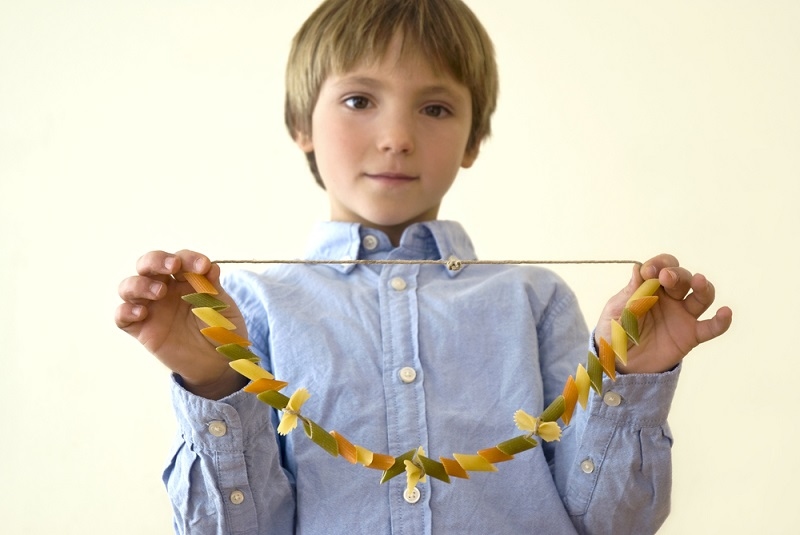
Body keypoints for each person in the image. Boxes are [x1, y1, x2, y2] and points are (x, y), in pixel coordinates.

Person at [115, 0, 733, 533]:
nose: (397, 136)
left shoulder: (534, 299)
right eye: (359, 100)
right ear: (301, 123)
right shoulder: (248, 306)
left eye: (434, 108)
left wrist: (627, 378)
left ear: (472, 140)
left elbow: (609, 523)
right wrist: (213, 385)